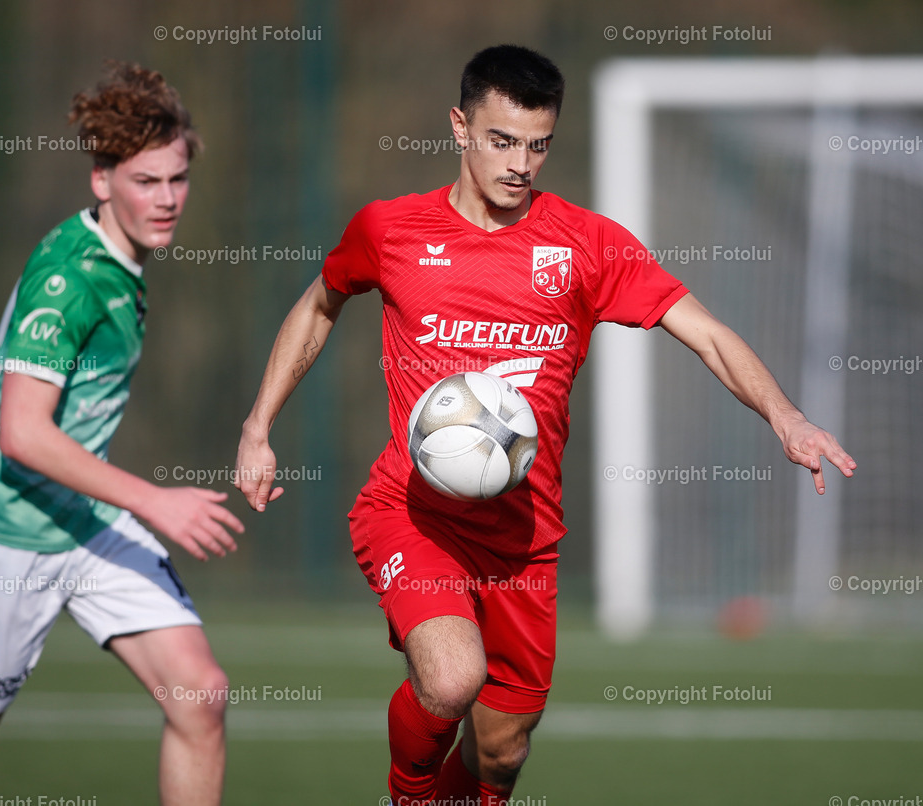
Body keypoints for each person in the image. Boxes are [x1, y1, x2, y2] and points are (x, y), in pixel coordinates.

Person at [234, 45, 857, 805]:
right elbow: (319, 304)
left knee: (501, 755)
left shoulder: (588, 246)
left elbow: (707, 333)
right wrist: (259, 424)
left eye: (538, 145)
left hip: (525, 537)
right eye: (501, 140)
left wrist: (785, 417)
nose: (521, 163)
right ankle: (406, 795)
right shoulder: (391, 231)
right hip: (413, 511)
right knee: (452, 676)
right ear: (460, 128)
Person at [0, 62, 242, 806]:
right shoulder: (72, 278)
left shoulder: (122, 261)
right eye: (145, 181)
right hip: (6, 532)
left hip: (83, 523)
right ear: (102, 179)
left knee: (200, 696)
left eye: (177, 179)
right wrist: (155, 501)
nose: (167, 200)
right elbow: (23, 434)